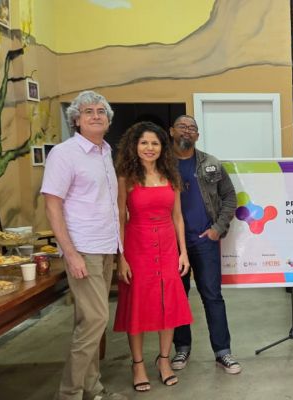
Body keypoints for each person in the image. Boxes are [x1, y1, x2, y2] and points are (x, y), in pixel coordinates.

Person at [41, 91, 126, 400]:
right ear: (76, 119)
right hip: (83, 248)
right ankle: (70, 393)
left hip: (105, 246)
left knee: (88, 322)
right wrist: (71, 253)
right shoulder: (64, 153)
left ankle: (93, 388)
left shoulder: (105, 151)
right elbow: (52, 205)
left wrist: (118, 248)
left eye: (101, 111)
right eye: (88, 111)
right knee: (96, 319)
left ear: (108, 120)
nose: (96, 115)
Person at [112, 122, 194, 392]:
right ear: (135, 146)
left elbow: (178, 217)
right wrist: (121, 257)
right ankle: (137, 365)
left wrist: (183, 253)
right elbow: (120, 218)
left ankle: (164, 360)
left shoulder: (171, 175)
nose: (150, 148)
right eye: (144, 143)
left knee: (167, 305)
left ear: (162, 147)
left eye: (155, 143)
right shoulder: (126, 177)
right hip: (137, 246)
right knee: (137, 305)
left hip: (168, 247)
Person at [169, 115, 241, 374]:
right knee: (178, 297)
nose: (187, 131)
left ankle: (223, 352)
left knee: (212, 296)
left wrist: (217, 229)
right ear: (171, 131)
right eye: (182, 126)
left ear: (197, 136)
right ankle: (182, 348)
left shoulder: (211, 164)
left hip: (203, 241)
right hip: (171, 244)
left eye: (192, 128)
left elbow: (229, 197)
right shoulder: (160, 164)